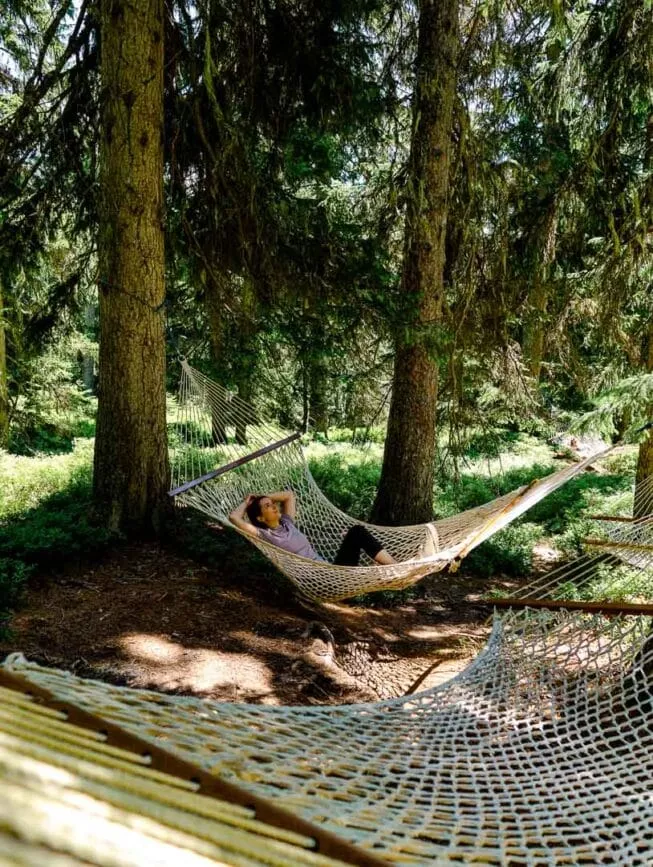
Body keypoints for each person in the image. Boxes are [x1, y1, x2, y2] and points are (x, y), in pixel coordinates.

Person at [229, 491, 396, 566]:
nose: (273, 506)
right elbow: (234, 518)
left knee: (357, 531)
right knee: (357, 532)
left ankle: (392, 567)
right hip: (324, 581)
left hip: (332, 572)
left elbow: (289, 495)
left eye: (273, 504)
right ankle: (392, 568)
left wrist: (261, 497)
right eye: (267, 506)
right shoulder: (265, 535)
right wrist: (248, 502)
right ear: (260, 518)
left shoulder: (287, 523)